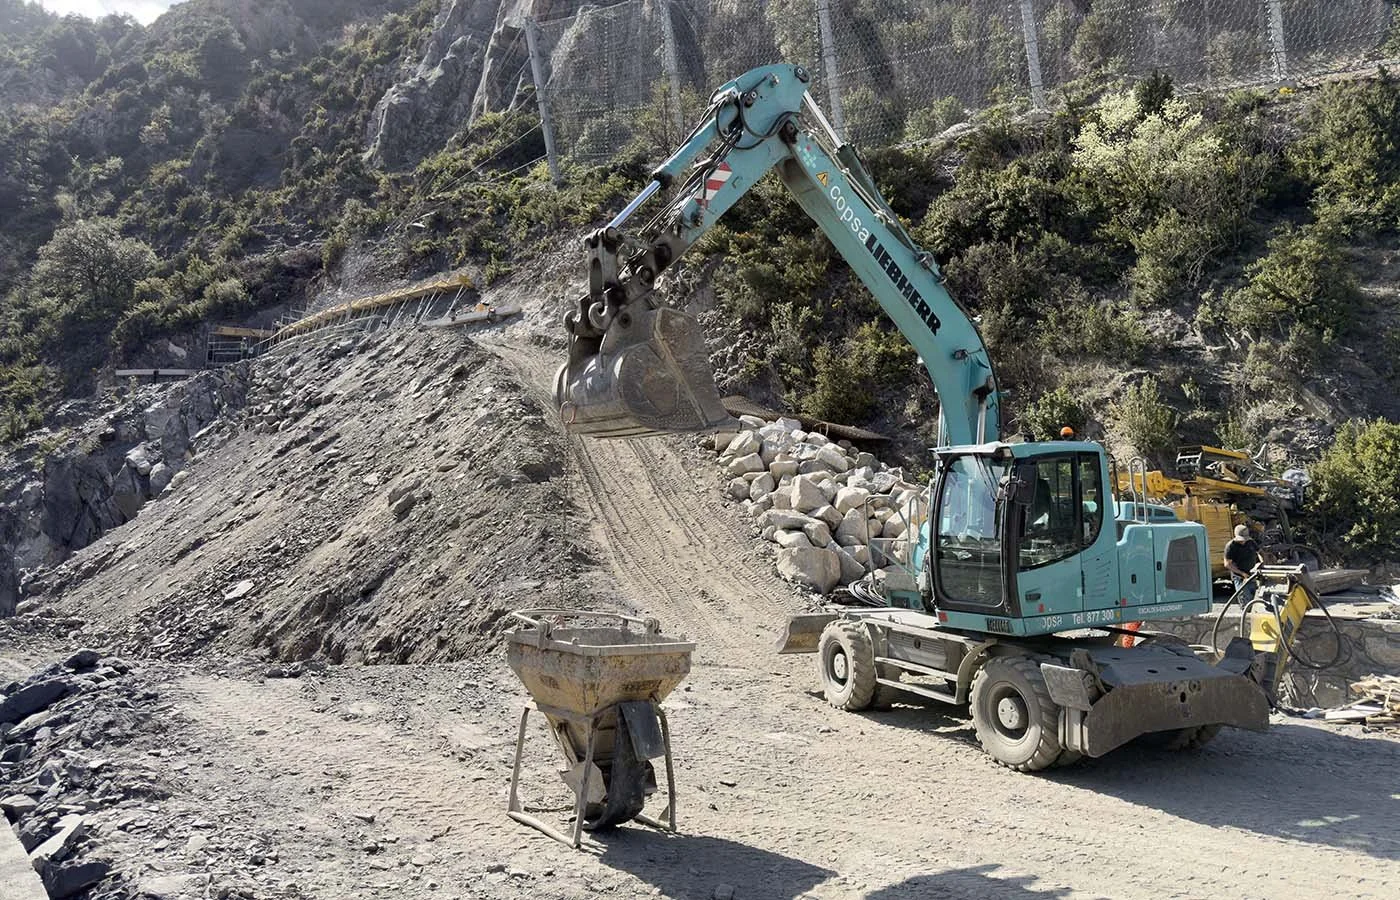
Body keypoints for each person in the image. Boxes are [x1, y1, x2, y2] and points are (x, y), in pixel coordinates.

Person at [1224, 523, 1261, 601]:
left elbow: (1260, 552)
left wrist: (1262, 563)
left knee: (1255, 598)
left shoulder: (1251, 542)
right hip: (1240, 577)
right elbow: (1227, 564)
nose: (1243, 541)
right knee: (1244, 598)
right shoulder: (1230, 546)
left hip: (1253, 574)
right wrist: (1242, 573)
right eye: (1241, 540)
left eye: (1245, 539)